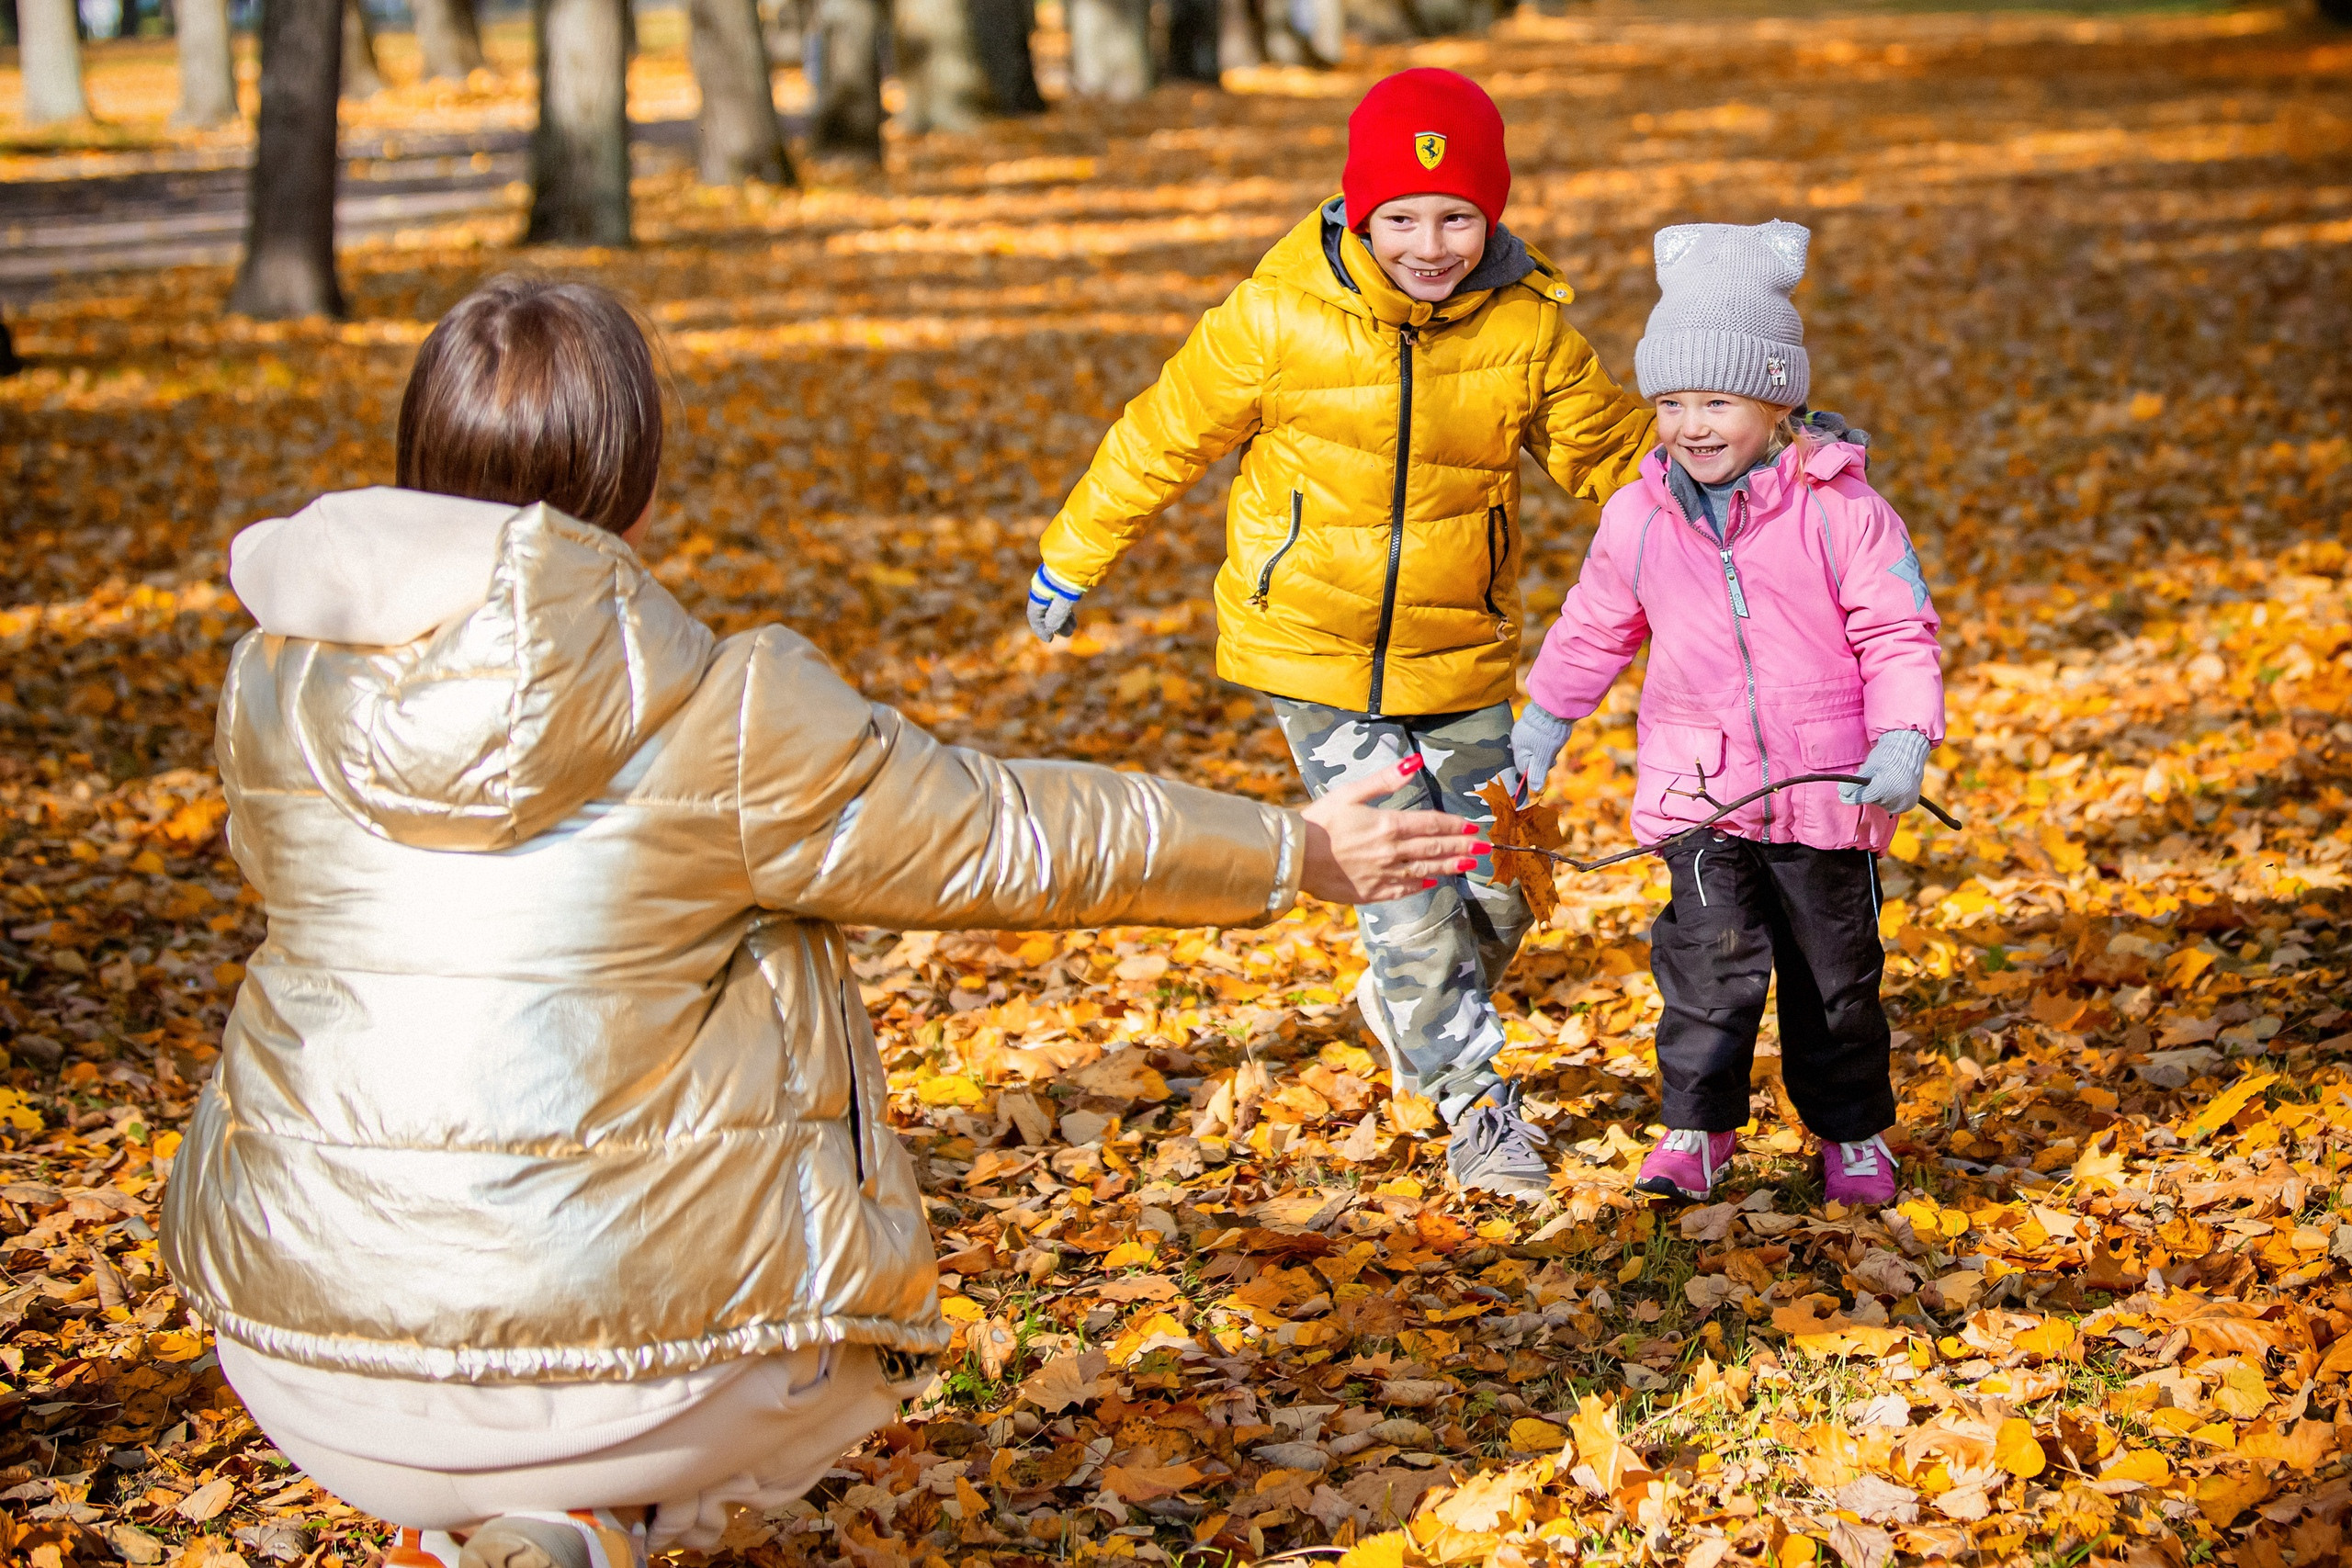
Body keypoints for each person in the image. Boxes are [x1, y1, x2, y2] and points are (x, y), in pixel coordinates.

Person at [159, 276, 1480, 1568]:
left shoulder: (276, 690)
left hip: (297, 1345)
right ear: (633, 473)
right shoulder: (716, 712)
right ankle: (580, 1506)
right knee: (823, 1326)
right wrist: (1292, 846)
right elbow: (999, 833)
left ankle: (502, 1522)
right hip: (636, 1376)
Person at [1021, 67, 1659, 1198]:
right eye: (1401, 218)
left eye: (1456, 216)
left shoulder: (1528, 333)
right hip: (1311, 652)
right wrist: (1072, 556)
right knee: (1410, 890)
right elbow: (1157, 436)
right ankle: (1475, 1107)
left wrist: (1735, 501)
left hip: (1459, 649)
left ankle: (1402, 1010)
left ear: (1493, 214)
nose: (1430, 243)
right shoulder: (1275, 316)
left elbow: (1614, 462)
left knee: (1505, 880)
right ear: (1359, 212)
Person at [1512, 220, 1945, 1206]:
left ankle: (1851, 1136)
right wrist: (1543, 720)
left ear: (1776, 400)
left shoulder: (1842, 511)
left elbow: (1897, 632)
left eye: (1717, 399)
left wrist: (1902, 736)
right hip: (1696, 792)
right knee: (1705, 973)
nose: (1691, 424)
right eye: (1670, 401)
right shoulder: (1638, 514)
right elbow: (1593, 628)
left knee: (1834, 982)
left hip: (1826, 789)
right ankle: (1697, 1129)